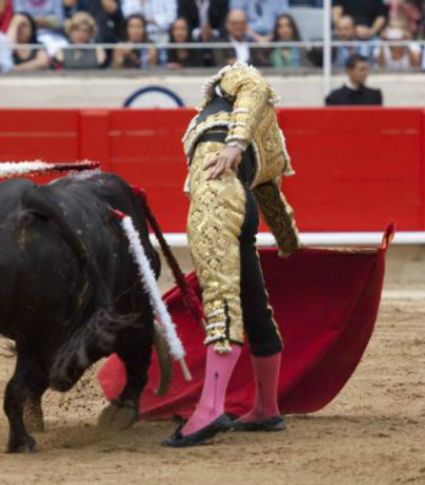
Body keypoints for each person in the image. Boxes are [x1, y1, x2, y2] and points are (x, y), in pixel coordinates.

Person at [162, 61, 300, 447]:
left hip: (216, 188)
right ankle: (267, 408)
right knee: (255, 304)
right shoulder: (267, 134)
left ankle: (209, 409)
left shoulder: (232, 78)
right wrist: (290, 242)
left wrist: (234, 144)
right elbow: (270, 193)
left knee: (220, 297)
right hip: (245, 200)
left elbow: (255, 85)